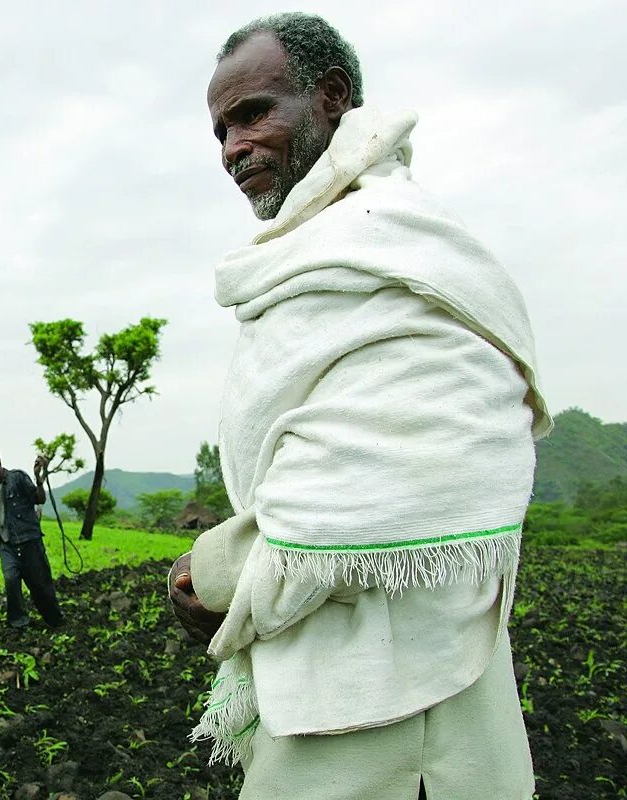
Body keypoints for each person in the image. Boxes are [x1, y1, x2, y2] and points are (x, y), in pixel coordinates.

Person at [168, 13, 551, 800]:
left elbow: (358, 497)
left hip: (404, 727)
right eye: (219, 133)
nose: (234, 148)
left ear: (332, 97)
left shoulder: (401, 255)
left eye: (253, 114)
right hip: (327, 684)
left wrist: (212, 575)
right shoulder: (323, 257)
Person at [0, 447, 64, 630]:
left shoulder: (18, 478)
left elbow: (39, 499)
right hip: (7, 545)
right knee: (11, 579)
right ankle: (19, 622)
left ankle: (55, 621)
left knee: (40, 584)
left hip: (29, 541)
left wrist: (39, 479)